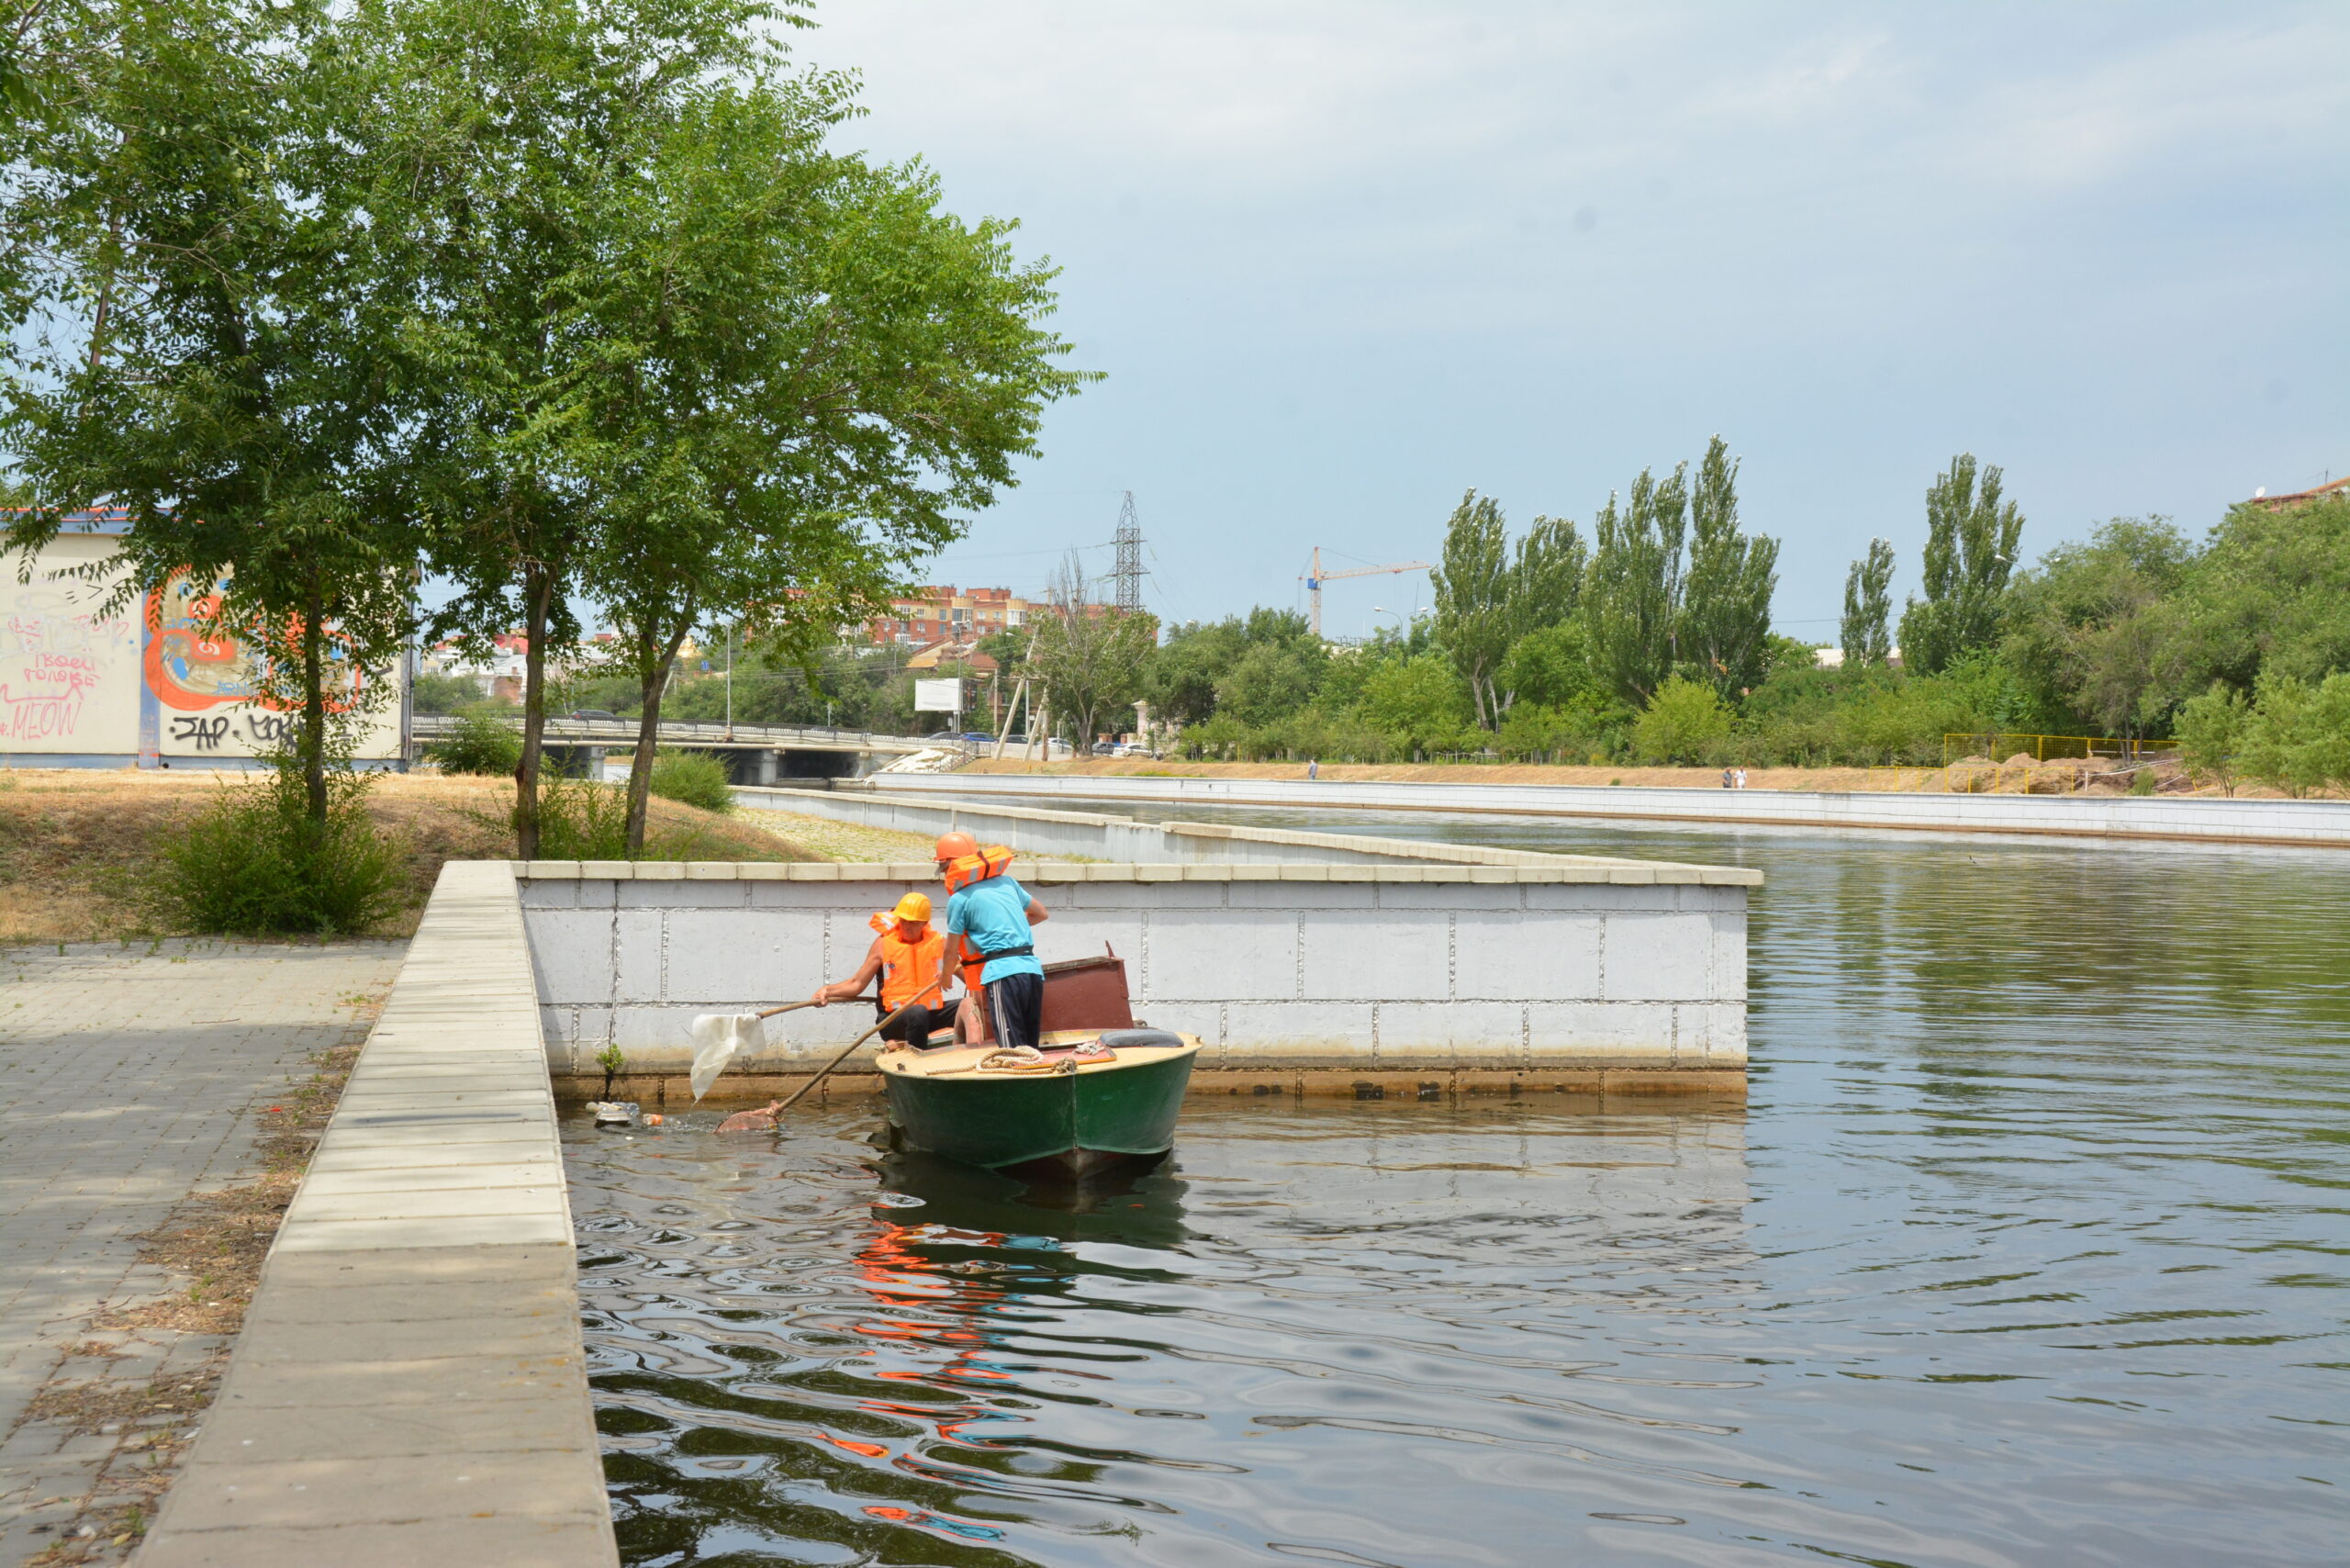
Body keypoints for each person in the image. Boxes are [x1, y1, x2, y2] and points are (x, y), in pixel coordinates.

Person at [931, 832, 1050, 1051]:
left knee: (1011, 1050)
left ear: (952, 864)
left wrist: (946, 976)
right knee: (1030, 1047)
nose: (946, 874)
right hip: (1032, 970)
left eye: (945, 868)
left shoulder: (959, 899)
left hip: (1003, 974)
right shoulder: (1007, 882)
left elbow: (951, 949)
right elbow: (1041, 913)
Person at [809, 891, 952, 1048]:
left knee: (966, 1006)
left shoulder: (939, 943)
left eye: (913, 923)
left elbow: (964, 972)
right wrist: (827, 991)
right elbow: (856, 984)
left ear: (925, 923)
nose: (906, 926)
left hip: (929, 1015)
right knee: (918, 1012)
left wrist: (978, 990)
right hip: (893, 1019)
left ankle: (972, 1057)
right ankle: (916, 1063)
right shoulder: (883, 945)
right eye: (903, 921)